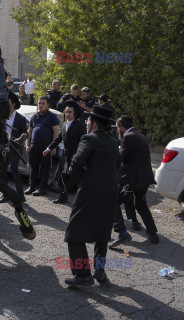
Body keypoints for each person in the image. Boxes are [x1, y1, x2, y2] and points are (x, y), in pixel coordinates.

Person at [64, 105, 119, 287]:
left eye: (88, 120)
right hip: (111, 191)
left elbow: (77, 162)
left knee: (73, 233)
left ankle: (82, 275)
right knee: (102, 232)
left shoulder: (89, 138)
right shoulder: (113, 142)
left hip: (91, 191)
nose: (86, 122)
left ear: (94, 124)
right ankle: (100, 271)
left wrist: (76, 181)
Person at [109, 115, 159, 247]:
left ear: (121, 126)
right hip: (144, 178)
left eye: (118, 127)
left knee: (113, 200)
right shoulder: (139, 135)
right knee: (141, 204)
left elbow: (121, 157)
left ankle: (121, 231)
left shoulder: (128, 136)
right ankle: (153, 234)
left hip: (133, 178)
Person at [43, 101, 86, 203]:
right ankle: (63, 196)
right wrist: (48, 148)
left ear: (74, 113)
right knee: (59, 176)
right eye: (66, 112)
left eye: (70, 112)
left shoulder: (79, 126)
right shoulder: (63, 125)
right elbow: (58, 139)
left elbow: (83, 141)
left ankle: (84, 200)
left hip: (76, 156)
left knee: (78, 178)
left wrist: (78, 155)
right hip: (65, 155)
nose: (67, 114)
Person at [25, 96, 60, 196]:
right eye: (39, 103)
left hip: (46, 147)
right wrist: (28, 145)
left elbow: (56, 132)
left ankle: (42, 188)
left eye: (43, 103)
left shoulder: (52, 117)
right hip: (34, 145)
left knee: (44, 168)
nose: (40, 105)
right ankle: (31, 187)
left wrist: (53, 146)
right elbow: (30, 131)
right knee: (33, 167)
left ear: (48, 105)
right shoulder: (34, 116)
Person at [0, 92, 27, 204]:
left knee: (14, 171)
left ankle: (21, 195)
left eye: (8, 103)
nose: (6, 105)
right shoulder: (2, 116)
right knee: (3, 172)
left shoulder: (20, 118)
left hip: (15, 148)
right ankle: (6, 194)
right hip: (3, 147)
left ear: (13, 104)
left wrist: (18, 139)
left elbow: (25, 133)